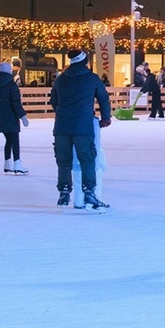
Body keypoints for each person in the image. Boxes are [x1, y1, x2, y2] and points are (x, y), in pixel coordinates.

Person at [49, 48, 112, 208]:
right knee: (87, 159)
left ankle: (64, 193)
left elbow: (53, 101)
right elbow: (103, 97)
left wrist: (63, 114)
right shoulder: (91, 78)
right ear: (85, 62)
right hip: (83, 126)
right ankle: (89, 193)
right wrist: (105, 118)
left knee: (63, 161)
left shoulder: (61, 79)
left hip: (62, 127)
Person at [0, 60, 29, 173]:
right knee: (14, 140)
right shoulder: (11, 84)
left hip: (1, 115)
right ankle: (17, 163)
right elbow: (16, 102)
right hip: (10, 116)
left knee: (9, 140)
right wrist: (23, 116)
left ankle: (7, 163)